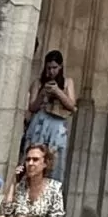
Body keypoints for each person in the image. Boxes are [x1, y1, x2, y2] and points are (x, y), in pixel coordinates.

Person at [23, 50, 78, 181]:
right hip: (40, 124)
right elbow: (32, 107)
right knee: (34, 157)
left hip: (57, 126)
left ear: (61, 67)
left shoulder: (67, 82)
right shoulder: (38, 83)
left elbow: (72, 106)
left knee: (55, 161)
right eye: (49, 68)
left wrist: (58, 92)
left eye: (55, 68)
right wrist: (42, 94)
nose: (52, 71)